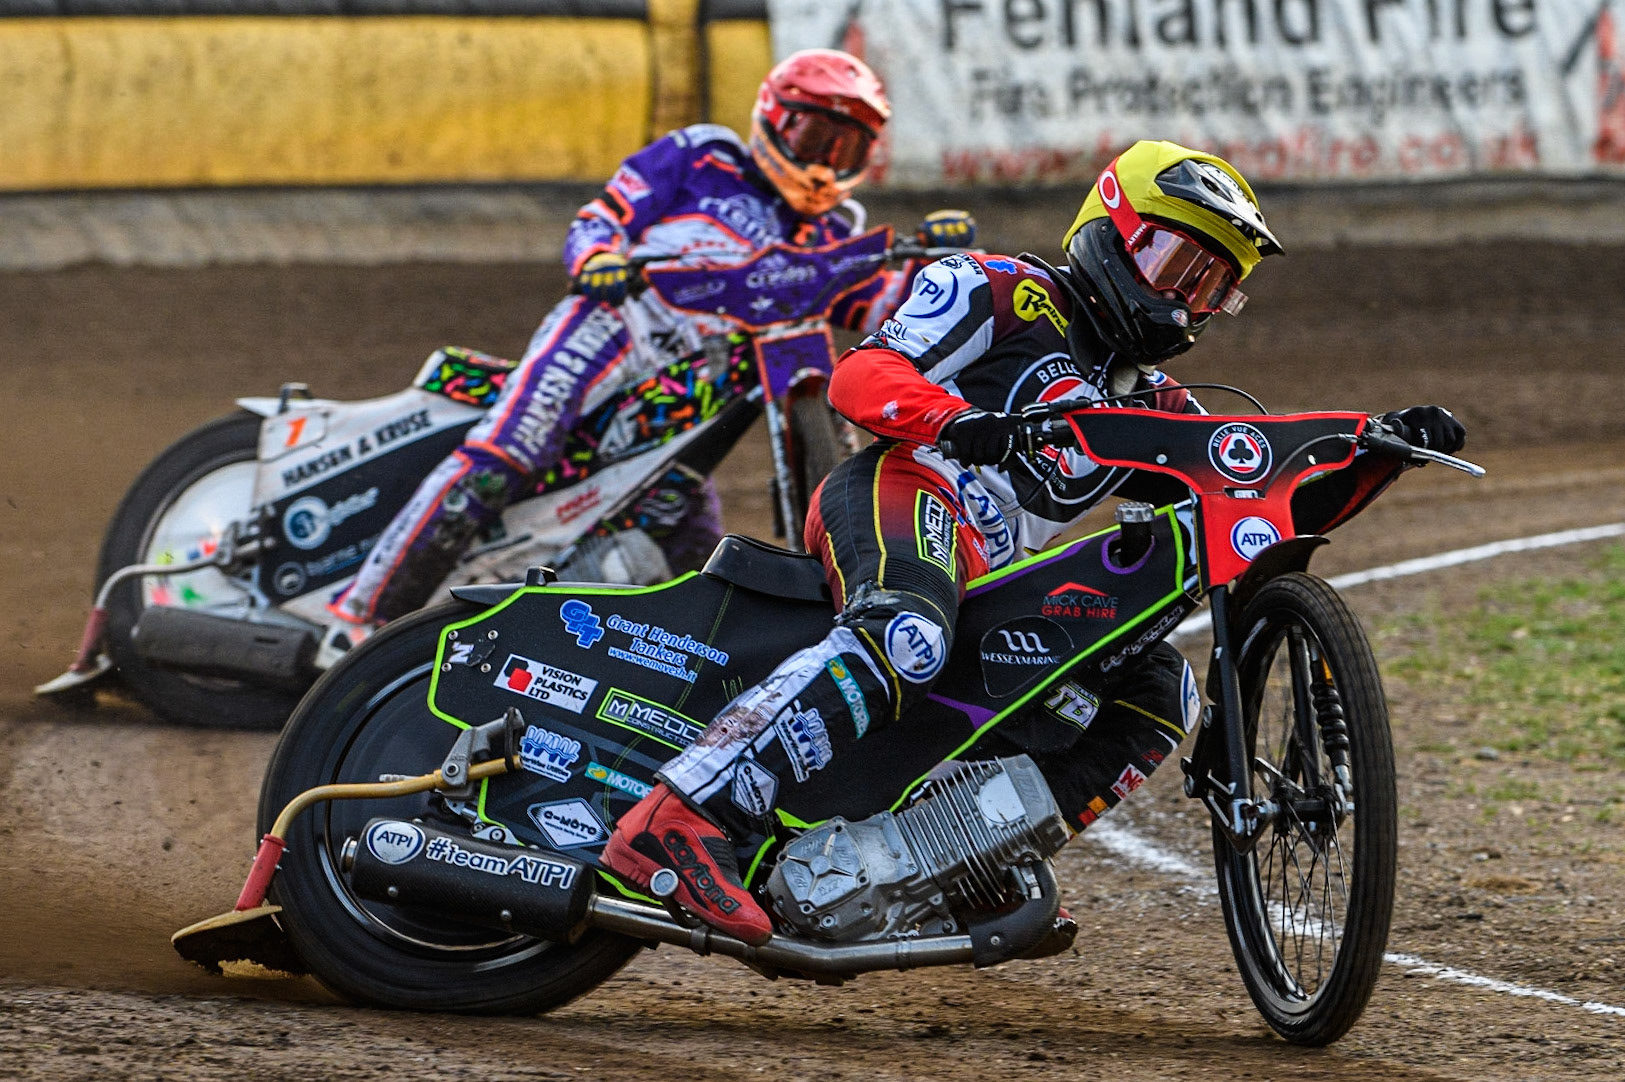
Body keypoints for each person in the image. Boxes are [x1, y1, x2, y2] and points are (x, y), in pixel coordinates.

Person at [601, 139, 1466, 944]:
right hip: (902, 488)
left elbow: (1248, 500)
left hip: (990, 572)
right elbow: (862, 374)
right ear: (1106, 229)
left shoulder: (1157, 405)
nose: (1179, 296)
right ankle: (679, 819)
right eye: (1171, 261)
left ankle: (952, 864)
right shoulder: (999, 289)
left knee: (1160, 691)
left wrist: (1374, 448)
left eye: (1208, 284)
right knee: (908, 630)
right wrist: (958, 420)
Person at [327, 48, 974, 644]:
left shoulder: (833, 233)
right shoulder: (701, 154)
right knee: (507, 452)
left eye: (846, 146)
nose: (824, 160)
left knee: (690, 542)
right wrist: (597, 257)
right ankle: (357, 618)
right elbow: (602, 217)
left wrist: (942, 268)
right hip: (615, 326)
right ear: (774, 118)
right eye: (814, 137)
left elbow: (879, 306)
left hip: (694, 396)